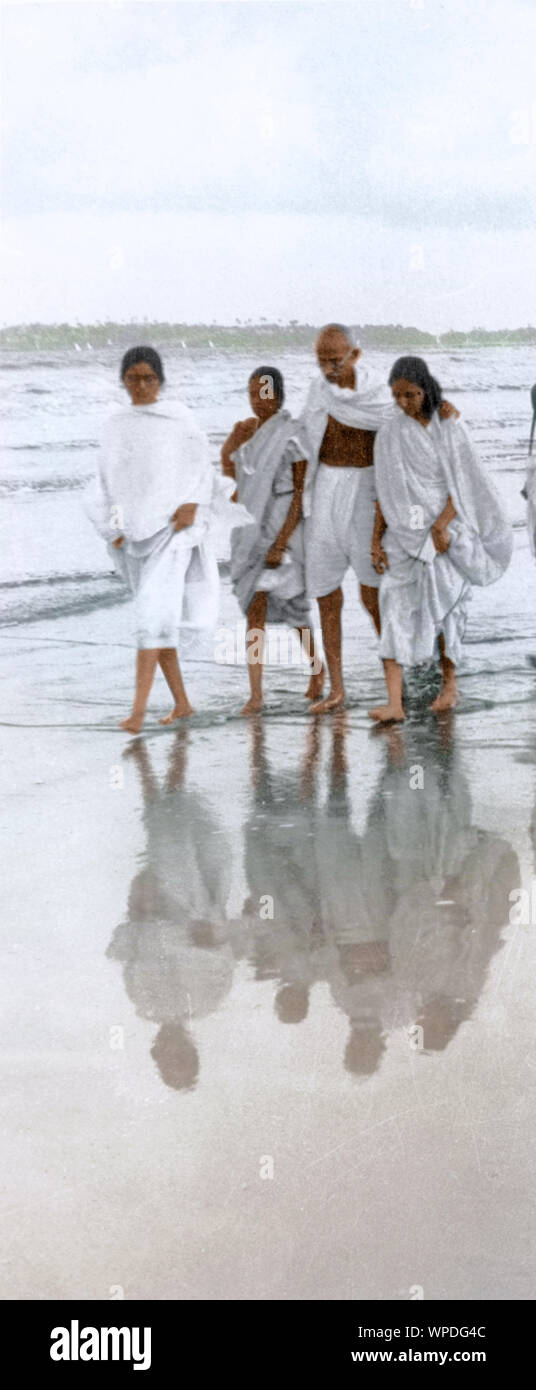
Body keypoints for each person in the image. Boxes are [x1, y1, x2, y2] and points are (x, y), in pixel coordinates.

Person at [87, 346, 250, 733]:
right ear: (123, 380)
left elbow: (199, 468)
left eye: (149, 378)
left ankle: (138, 712)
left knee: (152, 619)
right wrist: (115, 529)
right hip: (135, 536)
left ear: (160, 381)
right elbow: (107, 482)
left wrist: (193, 503)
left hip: (173, 532)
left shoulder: (179, 420)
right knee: (157, 623)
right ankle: (183, 704)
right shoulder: (114, 424)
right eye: (133, 378)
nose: (141, 386)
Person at [299, 325, 459, 714]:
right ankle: (337, 689)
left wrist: (444, 408)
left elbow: (415, 411)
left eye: (336, 359)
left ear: (355, 354)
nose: (328, 367)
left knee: (376, 594)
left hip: (368, 492)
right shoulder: (318, 393)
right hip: (325, 495)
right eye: (321, 359)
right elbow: (302, 441)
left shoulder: (379, 394)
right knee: (324, 593)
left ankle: (403, 673)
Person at [368, 356, 513, 723]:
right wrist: (375, 540)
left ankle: (450, 686)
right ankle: (395, 704)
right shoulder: (389, 434)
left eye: (410, 394)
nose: (402, 402)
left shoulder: (448, 426)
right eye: (396, 395)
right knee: (393, 607)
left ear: (426, 389)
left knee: (448, 610)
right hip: (403, 535)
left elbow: (463, 483)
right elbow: (385, 492)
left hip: (445, 530)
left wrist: (443, 524)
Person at [222, 365, 324, 714]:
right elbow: (230, 479)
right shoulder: (248, 435)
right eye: (252, 393)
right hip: (251, 527)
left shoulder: (291, 434)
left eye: (263, 392)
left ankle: (317, 669)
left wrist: (281, 541)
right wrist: (233, 444)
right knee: (255, 609)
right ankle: (255, 693)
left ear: (278, 394)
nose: (257, 399)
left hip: (284, 526)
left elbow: (300, 493)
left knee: (295, 609)